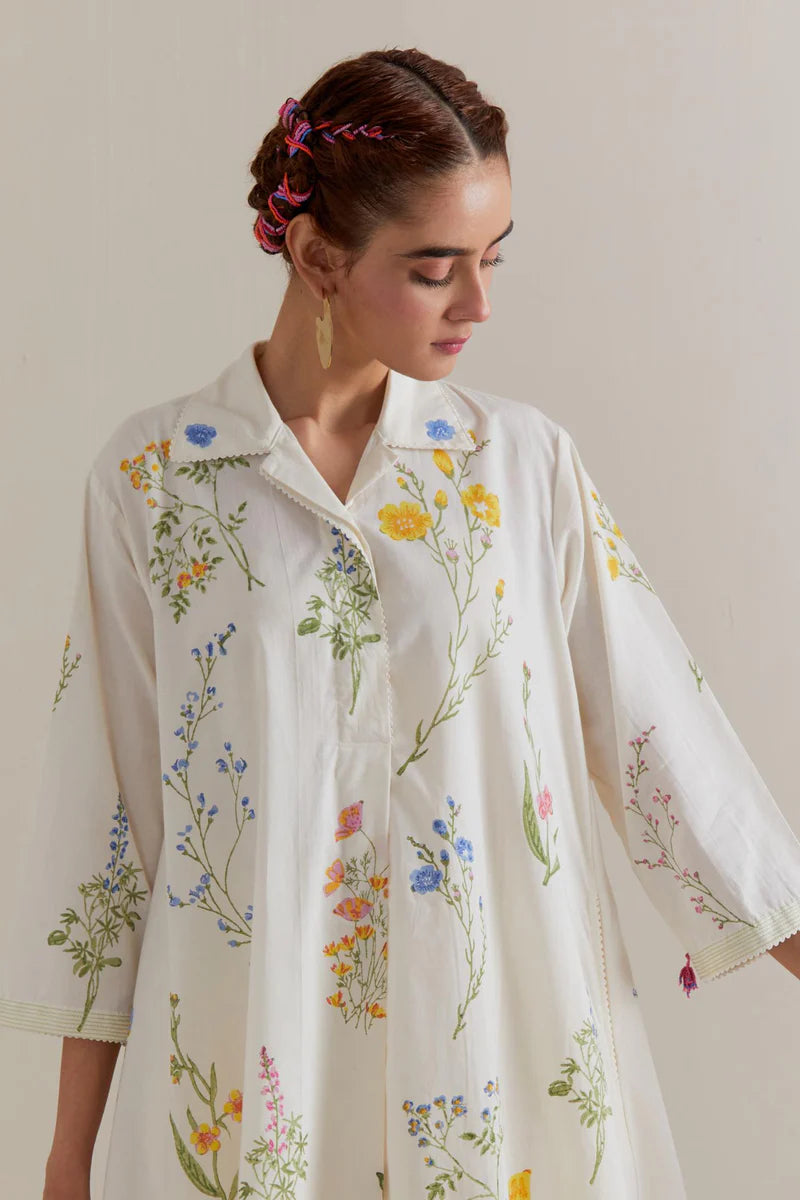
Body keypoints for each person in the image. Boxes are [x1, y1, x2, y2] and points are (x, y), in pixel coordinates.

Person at [3, 45, 800, 1200]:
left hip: (498, 1074)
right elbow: (109, 824)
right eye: (434, 270)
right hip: (250, 1078)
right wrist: (67, 1156)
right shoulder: (156, 482)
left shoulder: (518, 467)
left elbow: (661, 740)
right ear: (316, 256)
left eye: (491, 257)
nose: (478, 304)